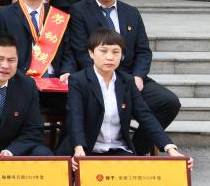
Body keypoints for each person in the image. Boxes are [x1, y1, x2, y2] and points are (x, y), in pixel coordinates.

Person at [67, 0, 182, 154]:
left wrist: (137, 76)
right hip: (97, 76)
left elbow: (143, 51)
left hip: (131, 77)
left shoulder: (131, 12)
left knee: (168, 102)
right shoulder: (79, 11)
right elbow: (81, 51)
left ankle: (135, 150)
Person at [60, 29, 190, 169]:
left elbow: (145, 116)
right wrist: (79, 148)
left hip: (117, 149)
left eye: (116, 52)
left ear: (122, 56)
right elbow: (75, 117)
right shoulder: (78, 80)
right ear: (91, 53)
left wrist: (170, 148)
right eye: (103, 51)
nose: (110, 57)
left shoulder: (127, 81)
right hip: (85, 150)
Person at [0, 0, 75, 80]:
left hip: (54, 79)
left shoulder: (58, 16)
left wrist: (66, 72)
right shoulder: (4, 14)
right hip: (19, 78)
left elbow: (68, 52)